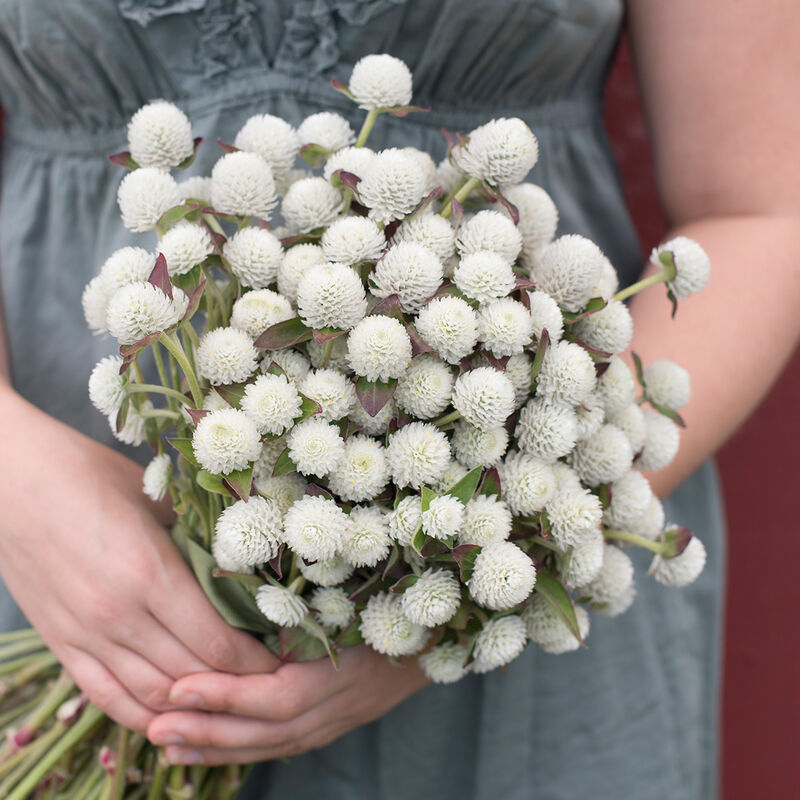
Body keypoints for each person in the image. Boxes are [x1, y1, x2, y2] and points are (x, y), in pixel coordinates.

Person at [0, 1, 798, 798]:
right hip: (55, 549)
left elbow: (764, 205)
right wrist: (17, 481)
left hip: (515, 534)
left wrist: (441, 603)